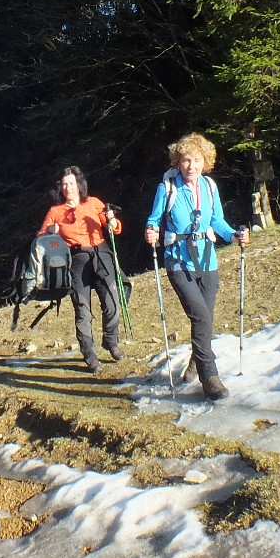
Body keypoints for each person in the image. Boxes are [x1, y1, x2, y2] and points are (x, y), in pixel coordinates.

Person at [144, 132, 249, 400]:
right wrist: (151, 230)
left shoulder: (209, 187)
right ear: (178, 162)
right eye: (186, 160)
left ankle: (195, 360)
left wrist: (234, 235)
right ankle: (210, 377)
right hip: (178, 260)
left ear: (206, 162)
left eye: (197, 160)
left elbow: (218, 222)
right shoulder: (167, 188)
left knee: (206, 318)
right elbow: (154, 219)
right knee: (200, 316)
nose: (192, 166)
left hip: (207, 260)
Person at [38, 166, 124, 374]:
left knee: (113, 301)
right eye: (64, 184)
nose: (68, 188)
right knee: (83, 310)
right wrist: (51, 232)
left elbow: (115, 228)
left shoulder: (94, 203)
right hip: (76, 260)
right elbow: (41, 237)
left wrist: (112, 219)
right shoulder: (55, 211)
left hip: (101, 255)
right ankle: (90, 355)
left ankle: (111, 342)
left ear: (79, 185)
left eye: (72, 183)